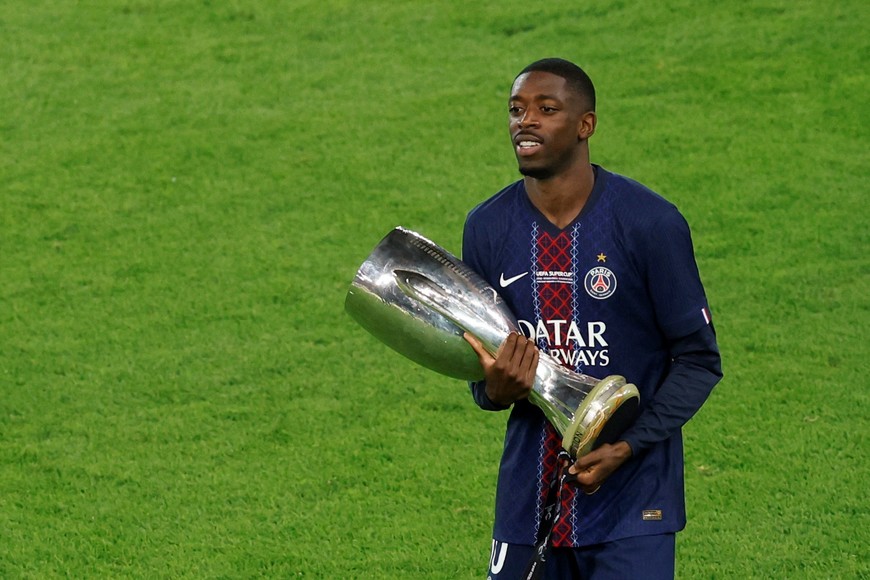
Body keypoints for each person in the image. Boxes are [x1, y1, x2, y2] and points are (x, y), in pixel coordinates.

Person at [461, 58, 723, 579]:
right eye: (516, 110)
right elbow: (480, 374)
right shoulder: (488, 228)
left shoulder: (649, 223)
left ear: (586, 125)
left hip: (635, 503)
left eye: (546, 109)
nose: (525, 121)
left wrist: (627, 446)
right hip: (527, 501)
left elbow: (698, 360)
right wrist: (495, 389)